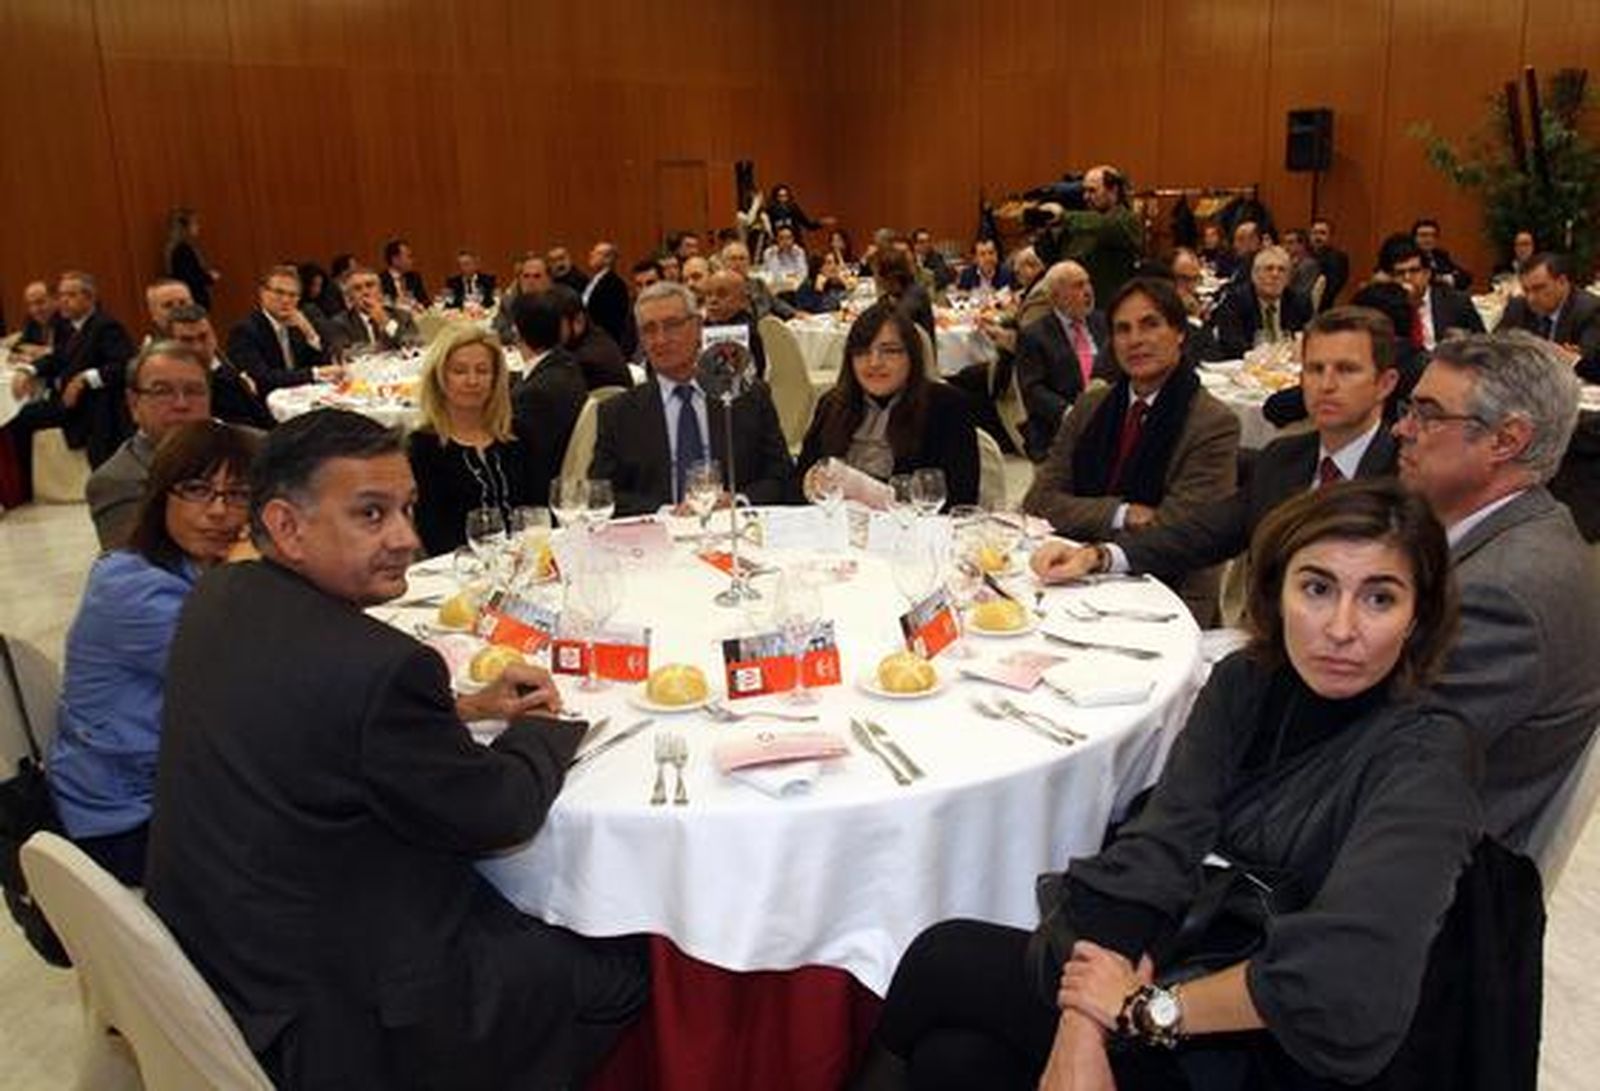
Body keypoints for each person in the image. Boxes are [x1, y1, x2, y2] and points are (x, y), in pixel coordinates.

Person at [863, 480, 1479, 1091]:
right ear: (1277, 590)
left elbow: (1344, 973)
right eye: (1317, 588)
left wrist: (1146, 1010)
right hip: (1191, 947)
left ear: (1418, 615)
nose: (1341, 629)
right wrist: (1083, 1020)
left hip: (1282, 1035)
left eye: (1379, 599)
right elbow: (1159, 844)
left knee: (942, 962)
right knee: (957, 1061)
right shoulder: (1248, 680)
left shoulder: (1427, 756)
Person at [145, 409, 647, 1089]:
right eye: (371, 515)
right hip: (348, 1015)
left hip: (224, 955)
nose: (408, 537)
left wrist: (464, 706)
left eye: (408, 509)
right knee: (630, 948)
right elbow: (499, 813)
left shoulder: (219, 594)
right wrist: (546, 731)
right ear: (287, 526)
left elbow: (319, 719)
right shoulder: (382, 668)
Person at [1393, 332, 1600, 848]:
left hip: (1415, 870)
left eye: (1428, 415)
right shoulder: (1532, 527)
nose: (1401, 429)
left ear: (1506, 441)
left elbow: (1383, 752)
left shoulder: (1500, 594)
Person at [1033, 306, 1401, 588]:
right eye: (1315, 369)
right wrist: (1098, 556)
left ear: (1385, 384)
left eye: (1347, 370)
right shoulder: (1284, 458)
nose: (1326, 384)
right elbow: (1200, 535)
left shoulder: (1406, 478)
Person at [50, 420, 257, 884]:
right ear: (162, 495)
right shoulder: (129, 587)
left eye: (239, 494)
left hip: (174, 783)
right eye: (198, 489)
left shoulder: (197, 566)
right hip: (124, 819)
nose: (220, 511)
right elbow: (259, 676)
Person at [1022, 277, 1239, 624]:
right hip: (1069, 581)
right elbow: (1039, 501)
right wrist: (1121, 513)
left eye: (1150, 325)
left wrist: (1089, 536)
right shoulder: (1092, 406)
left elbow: (1177, 533)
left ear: (1180, 333)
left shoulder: (1211, 423)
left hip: (1165, 597)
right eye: (1123, 329)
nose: (1135, 340)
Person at [590, 281, 794, 515]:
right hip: (657, 541)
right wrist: (666, 512)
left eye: (672, 325)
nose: (661, 339)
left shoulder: (746, 396)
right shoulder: (618, 413)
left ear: (698, 327)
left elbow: (782, 477)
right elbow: (601, 495)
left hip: (734, 532)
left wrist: (738, 501)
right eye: (649, 329)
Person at [797, 301, 978, 506]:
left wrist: (862, 489)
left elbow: (960, 498)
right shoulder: (831, 405)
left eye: (890, 351)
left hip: (912, 533)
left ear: (912, 356)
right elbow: (801, 478)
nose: (874, 362)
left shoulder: (947, 407)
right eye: (863, 352)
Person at [408, 326, 540, 557]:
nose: (472, 381)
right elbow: (432, 532)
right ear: (439, 377)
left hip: (526, 562)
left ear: (496, 378)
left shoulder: (518, 435)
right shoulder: (423, 447)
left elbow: (538, 509)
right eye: (459, 371)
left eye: (482, 371)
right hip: (458, 570)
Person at [86, 341, 217, 549]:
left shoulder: (252, 448)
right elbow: (135, 574)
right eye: (162, 391)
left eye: (194, 391)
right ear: (134, 404)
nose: (181, 404)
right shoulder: (118, 480)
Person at [5, 270, 137, 474]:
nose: (64, 301)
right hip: (68, 400)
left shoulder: (106, 326)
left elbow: (124, 365)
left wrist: (85, 378)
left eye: (71, 295)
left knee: (21, 417)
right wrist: (29, 370)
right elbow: (56, 358)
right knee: (15, 417)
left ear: (90, 297)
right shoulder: (68, 328)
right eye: (61, 295)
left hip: (95, 405)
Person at [1015, 262, 1108, 461]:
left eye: (1088, 283)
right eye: (1078, 286)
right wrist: (1070, 413)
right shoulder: (1034, 335)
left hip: (1108, 418)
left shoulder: (1104, 324)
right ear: (1055, 296)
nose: (1088, 291)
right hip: (1059, 428)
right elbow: (1032, 389)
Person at [510, 290, 588, 507]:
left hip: (541, 502)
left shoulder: (531, 395)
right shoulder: (569, 366)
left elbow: (525, 468)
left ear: (516, 333)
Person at [1035, 165, 1144, 306]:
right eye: (1084, 191)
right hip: (1074, 305)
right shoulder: (1079, 222)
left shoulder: (1126, 220)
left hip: (1109, 307)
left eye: (1092, 191)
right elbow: (1056, 262)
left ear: (1113, 190)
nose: (1086, 197)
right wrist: (1046, 234)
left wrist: (1063, 217)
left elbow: (1106, 226)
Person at [227, 265, 340, 395]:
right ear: (262, 293)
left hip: (303, 397)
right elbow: (263, 378)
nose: (286, 300)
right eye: (279, 292)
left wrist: (310, 333)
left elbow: (324, 366)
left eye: (293, 295)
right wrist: (314, 373)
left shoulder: (297, 324)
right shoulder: (245, 330)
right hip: (268, 405)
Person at [168, 304, 276, 432]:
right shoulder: (172, 393)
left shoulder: (225, 373)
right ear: (170, 345)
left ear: (214, 336)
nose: (198, 347)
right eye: (187, 340)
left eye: (203, 337)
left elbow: (262, 417)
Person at [1493, 251, 1600, 380]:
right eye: (1526, 290)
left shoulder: (1590, 309)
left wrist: (1571, 358)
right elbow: (1495, 345)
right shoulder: (1518, 306)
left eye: (1539, 288)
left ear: (1562, 282)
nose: (1531, 298)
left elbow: (1588, 360)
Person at [1381, 233, 1485, 352]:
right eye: (1400, 273)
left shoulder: (1457, 302)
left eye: (1414, 271)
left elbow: (1483, 345)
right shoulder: (1387, 307)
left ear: (1427, 274)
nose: (1407, 278)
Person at [1204, 244, 1311, 359]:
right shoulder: (1235, 301)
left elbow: (1309, 343)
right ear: (1255, 274)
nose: (1275, 275)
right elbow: (1231, 345)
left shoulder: (1300, 302)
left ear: (1288, 279)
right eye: (1269, 268)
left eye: (1282, 270)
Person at [329, 266, 421, 354]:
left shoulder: (402, 316)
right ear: (350, 297)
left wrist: (386, 322)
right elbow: (345, 353)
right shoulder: (340, 323)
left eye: (370, 285)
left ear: (380, 291)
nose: (365, 292)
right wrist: (380, 348)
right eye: (357, 288)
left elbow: (414, 345)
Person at [163, 207, 219, 311]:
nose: (198, 227)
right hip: (193, 300)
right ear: (185, 228)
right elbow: (189, 278)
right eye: (195, 224)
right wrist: (209, 277)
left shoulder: (176, 249)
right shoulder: (182, 250)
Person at [1413, 217, 1472, 291]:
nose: (1429, 240)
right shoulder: (1411, 258)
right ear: (1414, 238)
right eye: (1424, 235)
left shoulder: (1440, 255)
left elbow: (1465, 277)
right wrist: (1448, 278)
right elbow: (1427, 281)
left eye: (1433, 236)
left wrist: (1444, 279)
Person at [1308, 218, 1350, 308]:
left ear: (1331, 237)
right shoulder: (1305, 256)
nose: (1317, 237)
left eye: (1322, 233)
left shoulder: (1337, 258)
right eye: (1314, 233)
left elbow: (1331, 289)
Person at [378, 237, 430, 309]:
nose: (412, 261)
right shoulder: (380, 280)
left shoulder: (414, 277)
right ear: (395, 260)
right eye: (408, 256)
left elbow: (425, 302)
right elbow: (384, 306)